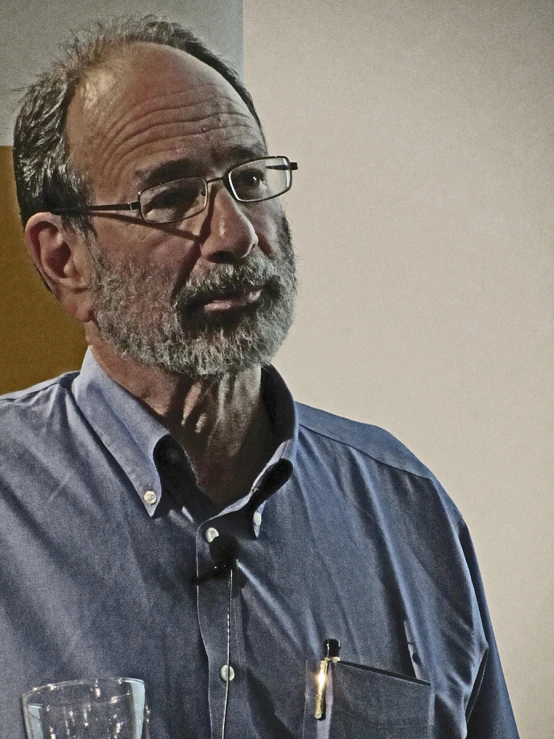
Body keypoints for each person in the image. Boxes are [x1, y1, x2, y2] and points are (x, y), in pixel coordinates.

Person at [1, 15, 519, 739]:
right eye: (172, 197)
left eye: (248, 179)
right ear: (65, 260)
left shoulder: (410, 510)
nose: (237, 233)